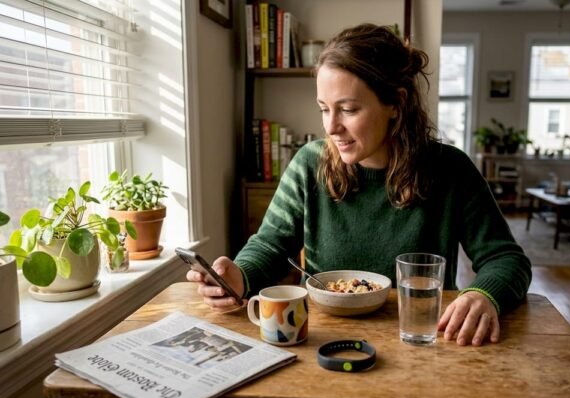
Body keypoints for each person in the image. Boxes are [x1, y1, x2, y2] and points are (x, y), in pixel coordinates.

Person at [188, 23, 531, 346]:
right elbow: (270, 245)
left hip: (422, 338)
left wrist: (482, 295)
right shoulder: (309, 163)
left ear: (395, 104)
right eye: (324, 109)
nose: (331, 127)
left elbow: (507, 259)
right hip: (321, 338)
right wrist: (239, 276)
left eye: (348, 109)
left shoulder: (451, 169)